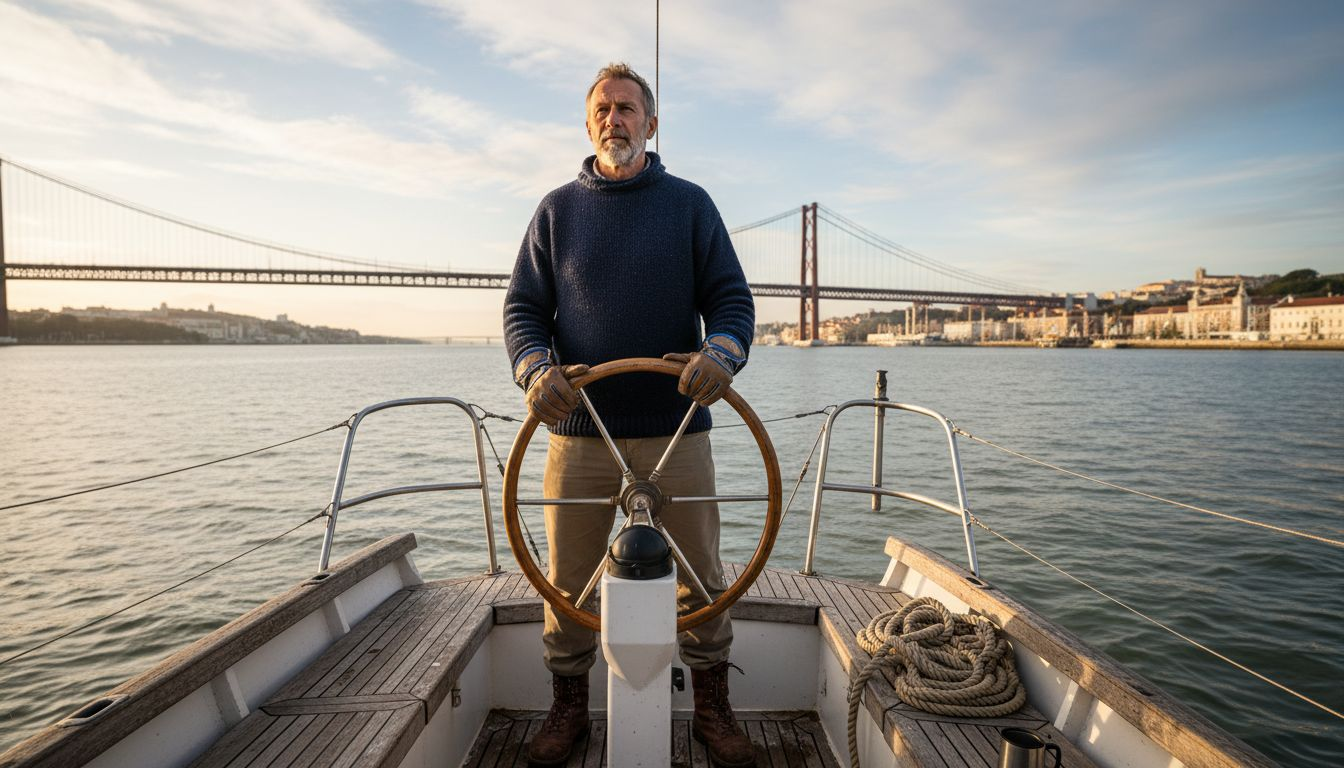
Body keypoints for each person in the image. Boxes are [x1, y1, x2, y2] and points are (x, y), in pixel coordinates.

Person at [503, 62, 756, 768]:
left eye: (628, 108)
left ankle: (712, 705)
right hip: (580, 433)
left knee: (704, 576)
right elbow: (523, 310)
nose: (615, 118)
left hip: (678, 432)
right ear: (588, 124)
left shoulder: (692, 206)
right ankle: (567, 711)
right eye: (604, 109)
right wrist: (535, 370)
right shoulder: (556, 212)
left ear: (651, 123)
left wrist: (724, 352)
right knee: (567, 582)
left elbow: (732, 302)